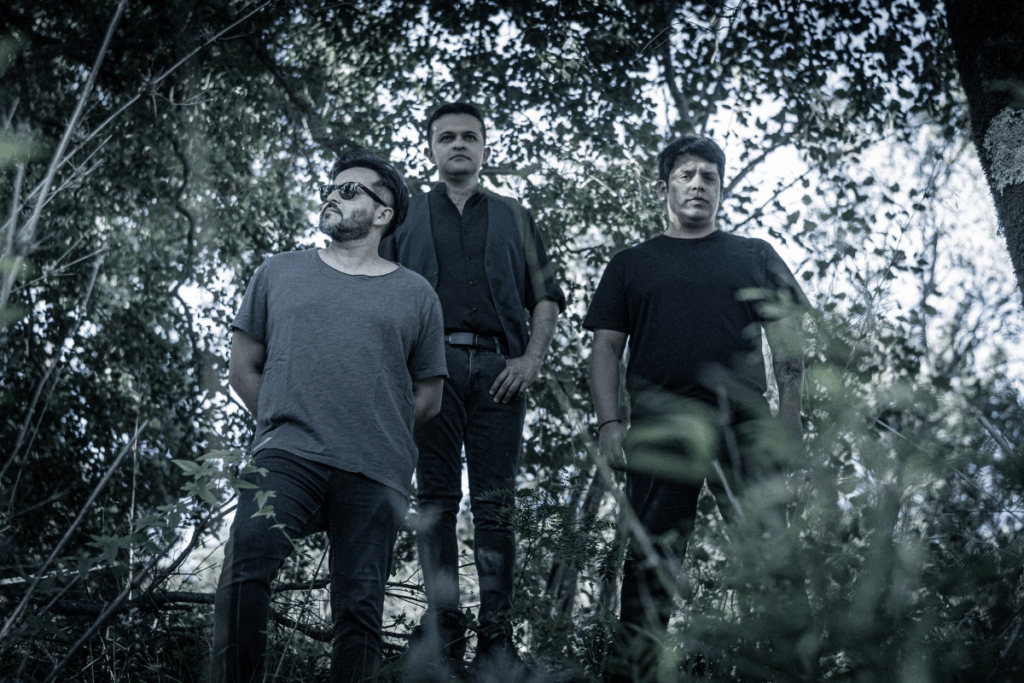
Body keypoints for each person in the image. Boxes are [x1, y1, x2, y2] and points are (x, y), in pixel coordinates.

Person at [212, 150, 447, 683]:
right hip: (286, 453)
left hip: (376, 468)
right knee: (246, 566)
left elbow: (429, 397)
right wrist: (289, 418)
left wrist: (367, 425)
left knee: (359, 610)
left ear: (383, 213)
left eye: (349, 190)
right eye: (330, 188)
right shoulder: (278, 271)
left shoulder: (417, 294)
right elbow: (243, 369)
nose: (331, 196)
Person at [583, 135, 807, 681]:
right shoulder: (631, 264)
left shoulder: (753, 255)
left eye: (710, 177)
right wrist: (610, 423)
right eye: (687, 175)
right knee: (649, 566)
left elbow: (788, 343)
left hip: (745, 426)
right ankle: (634, 675)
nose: (699, 185)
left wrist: (790, 417)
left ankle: (789, 672)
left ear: (721, 189)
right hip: (659, 431)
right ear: (664, 187)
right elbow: (606, 349)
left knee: (771, 557)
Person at [380, 102, 566, 676]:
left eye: (469, 136)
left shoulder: (514, 215)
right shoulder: (405, 216)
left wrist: (532, 359)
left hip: (499, 372)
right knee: (434, 501)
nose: (458, 144)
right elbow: (377, 292)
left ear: (484, 148)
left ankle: (496, 639)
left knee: (496, 505)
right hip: (427, 373)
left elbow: (546, 296)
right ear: (431, 149)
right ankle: (443, 630)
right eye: (446, 137)